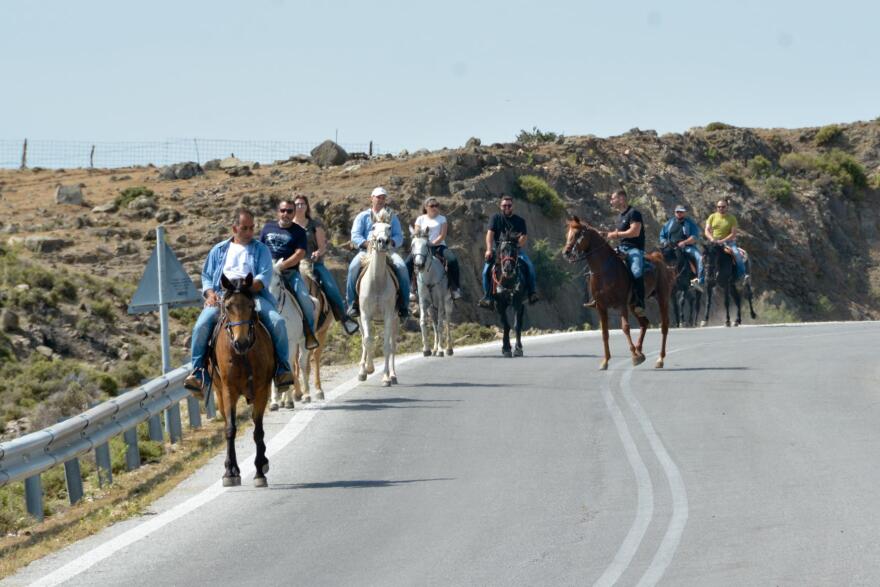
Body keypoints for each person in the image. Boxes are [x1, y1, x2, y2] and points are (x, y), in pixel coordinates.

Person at [184, 208, 294, 394]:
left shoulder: (261, 250)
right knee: (201, 326)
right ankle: (198, 372)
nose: (250, 232)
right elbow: (207, 276)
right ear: (234, 228)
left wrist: (247, 288)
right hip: (223, 296)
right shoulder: (218, 250)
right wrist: (210, 294)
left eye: (252, 228)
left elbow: (264, 275)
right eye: (245, 228)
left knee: (277, 322)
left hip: (252, 295)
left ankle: (282, 370)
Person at [291, 194, 360, 335]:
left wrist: (318, 253)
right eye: (297, 204)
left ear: (307, 206)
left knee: (330, 287)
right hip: (292, 265)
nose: (300, 206)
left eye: (302, 204)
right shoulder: (288, 226)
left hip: (313, 264)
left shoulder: (314, 225)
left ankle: (344, 318)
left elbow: (322, 246)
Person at [259, 200, 319, 350]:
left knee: (305, 299)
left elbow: (300, 253)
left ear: (293, 213)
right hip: (266, 272)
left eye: (289, 211)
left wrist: (282, 265)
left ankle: (309, 334)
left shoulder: (298, 231)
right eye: (283, 210)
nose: (286, 214)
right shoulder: (268, 227)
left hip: (289, 272)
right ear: (278, 211)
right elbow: (259, 248)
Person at [345, 186, 410, 319]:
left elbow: (399, 236)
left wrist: (391, 242)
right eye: (378, 197)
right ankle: (352, 304)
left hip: (388, 251)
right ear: (372, 198)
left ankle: (404, 304)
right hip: (366, 252)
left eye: (383, 197)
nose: (380, 200)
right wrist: (367, 244)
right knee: (353, 267)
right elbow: (355, 235)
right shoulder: (363, 216)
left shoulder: (392, 216)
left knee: (402, 267)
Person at [478, 195, 539, 307]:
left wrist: (516, 246)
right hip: (498, 251)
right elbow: (489, 235)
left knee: (529, 266)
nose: (506, 207)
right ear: (500, 206)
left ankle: (532, 293)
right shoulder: (495, 218)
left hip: (515, 251)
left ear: (513, 206)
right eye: (504, 205)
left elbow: (524, 237)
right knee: (486, 271)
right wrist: (488, 250)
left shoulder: (520, 221)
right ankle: (488, 298)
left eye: (509, 205)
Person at [405, 197, 463, 300]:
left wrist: (431, 244)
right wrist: (425, 244)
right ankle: (410, 289)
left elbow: (442, 235)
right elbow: (417, 234)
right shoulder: (420, 219)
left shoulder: (442, 218)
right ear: (426, 207)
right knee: (408, 263)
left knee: (452, 260)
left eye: (436, 205)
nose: (435, 208)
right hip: (422, 247)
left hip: (439, 245)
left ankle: (455, 288)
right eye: (432, 206)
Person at [606, 189, 647, 317]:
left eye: (613, 198)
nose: (611, 201)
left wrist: (616, 234)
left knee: (636, 270)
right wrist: (606, 235)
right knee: (603, 263)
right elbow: (619, 235)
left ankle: (640, 302)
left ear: (622, 199)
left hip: (635, 248)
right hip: (621, 247)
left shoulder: (634, 213)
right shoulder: (618, 217)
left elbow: (635, 232)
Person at [660, 204, 704, 291]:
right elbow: (662, 235)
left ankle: (698, 281)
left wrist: (684, 242)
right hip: (671, 246)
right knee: (657, 257)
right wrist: (665, 242)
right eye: (678, 212)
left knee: (699, 258)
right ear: (675, 213)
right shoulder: (670, 223)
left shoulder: (690, 223)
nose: (679, 213)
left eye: (681, 212)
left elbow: (694, 237)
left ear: (684, 213)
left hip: (687, 247)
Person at [704, 198, 748, 281]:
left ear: (727, 207)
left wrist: (722, 240)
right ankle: (701, 278)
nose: (721, 208)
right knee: (704, 256)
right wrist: (711, 238)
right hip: (714, 242)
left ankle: (742, 276)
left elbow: (733, 233)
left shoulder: (732, 218)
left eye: (723, 207)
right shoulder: (712, 217)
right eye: (719, 207)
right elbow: (706, 230)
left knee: (737, 254)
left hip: (728, 242)